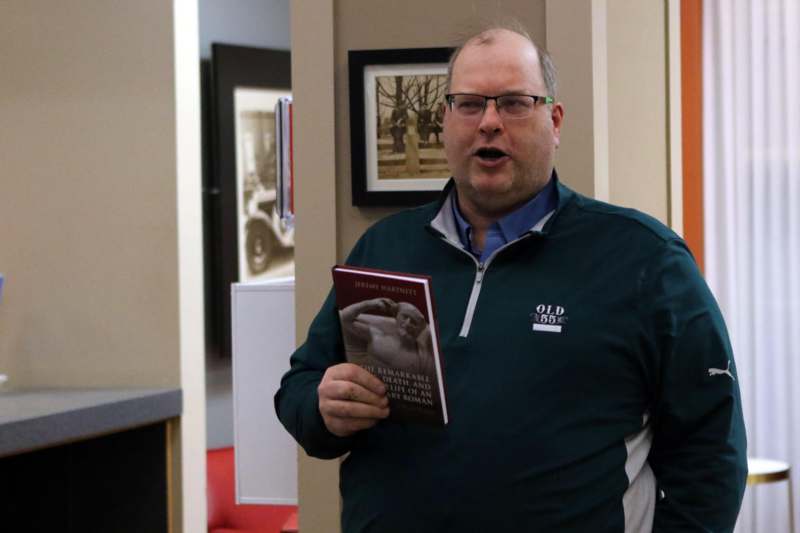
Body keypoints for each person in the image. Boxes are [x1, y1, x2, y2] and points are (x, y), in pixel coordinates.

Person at [275, 23, 747, 533]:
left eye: (516, 103)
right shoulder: (385, 248)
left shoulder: (645, 259)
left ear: (555, 120)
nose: (490, 123)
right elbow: (299, 388)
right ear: (445, 120)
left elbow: (712, 452)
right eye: (470, 103)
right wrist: (325, 406)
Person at [339, 297, 434, 377]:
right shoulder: (377, 335)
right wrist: (369, 304)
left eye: (414, 322)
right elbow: (344, 319)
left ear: (420, 330)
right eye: (405, 316)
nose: (407, 323)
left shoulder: (422, 357)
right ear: (397, 317)